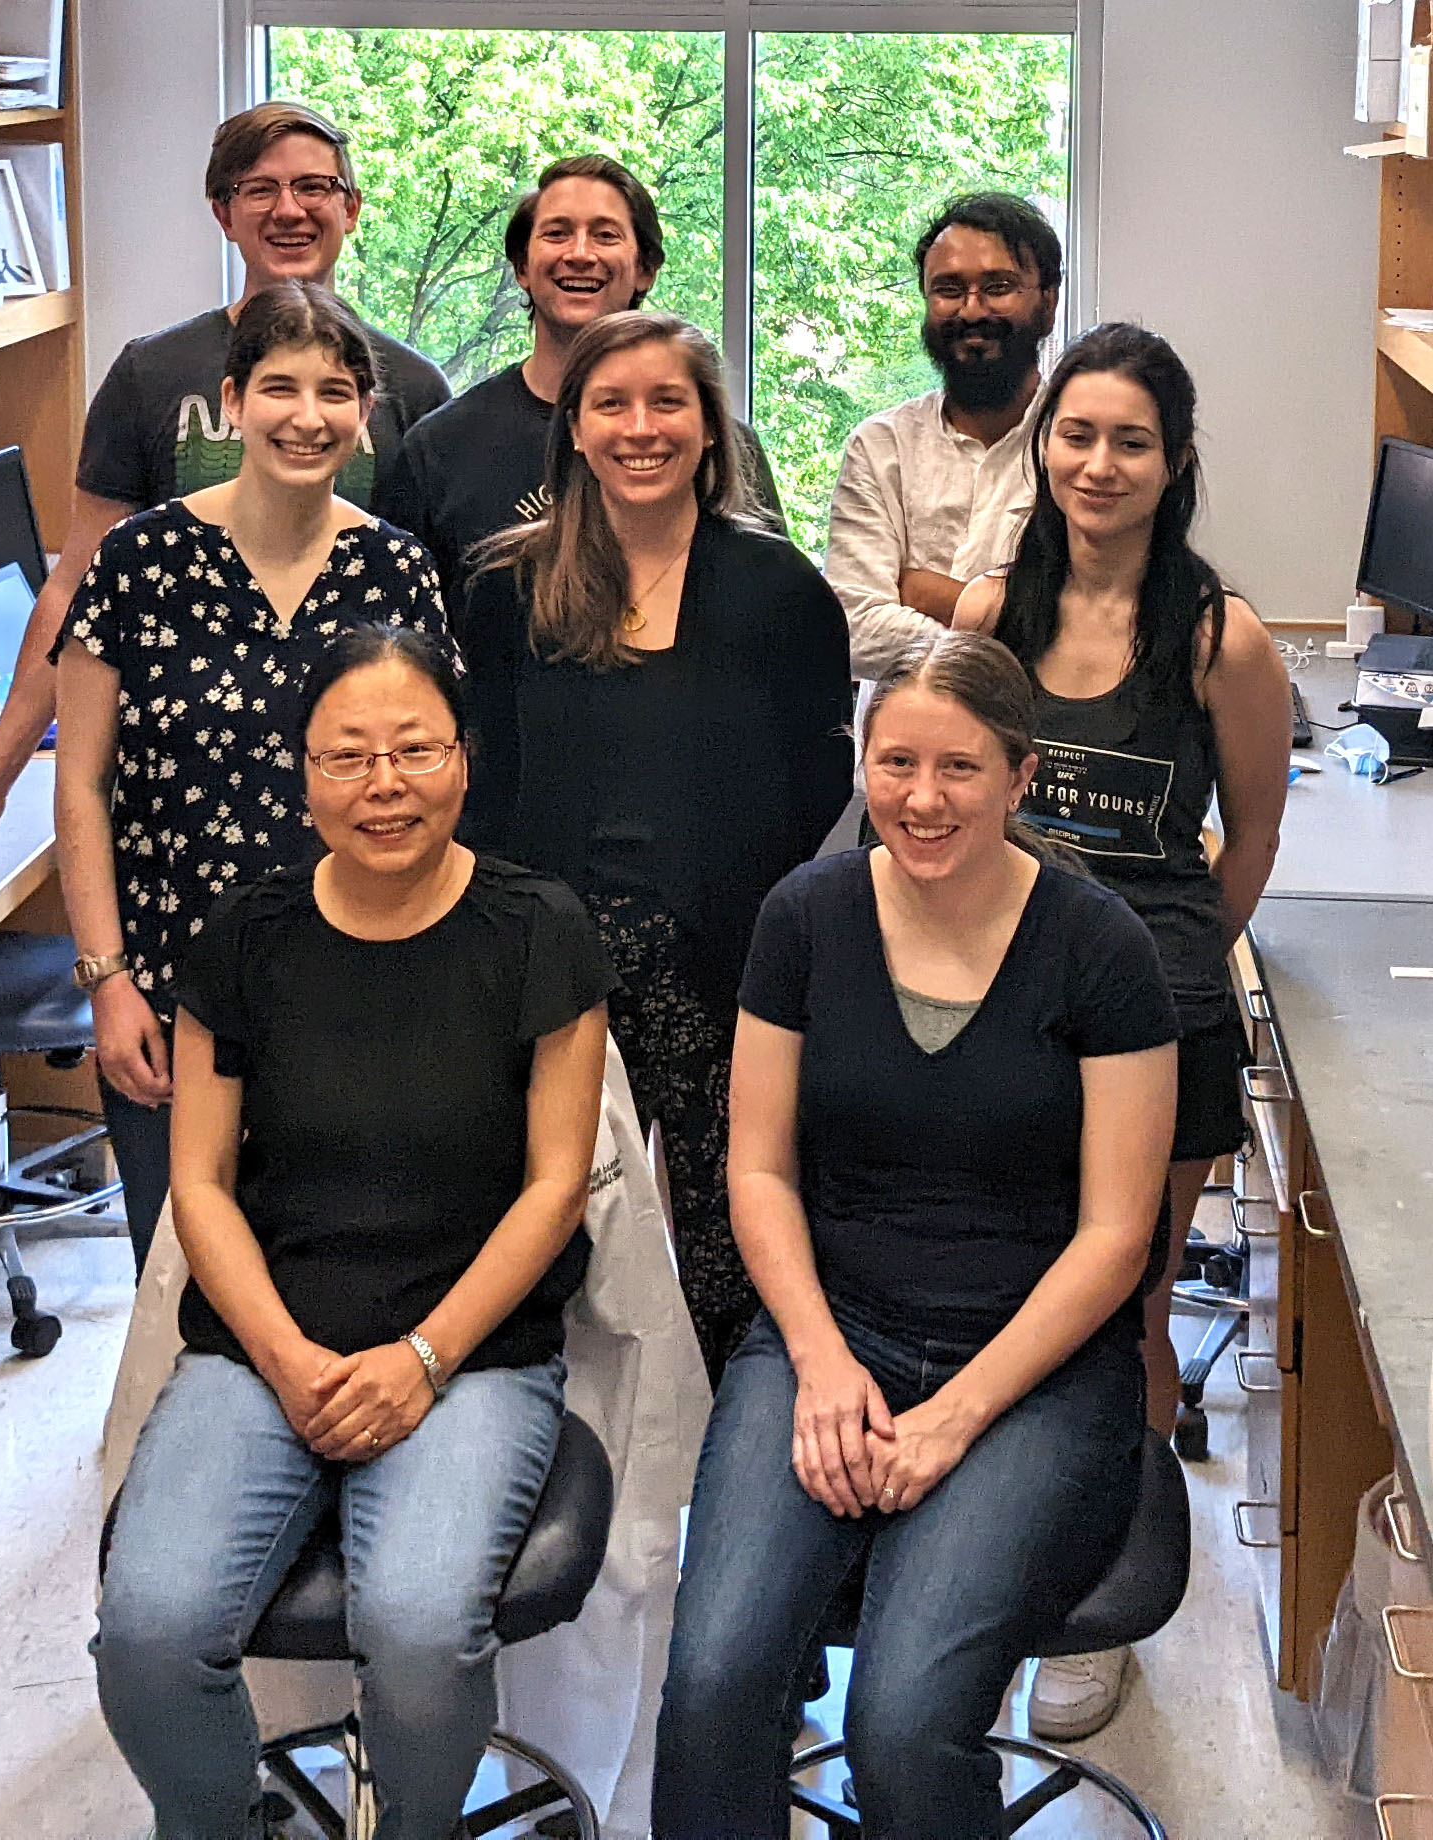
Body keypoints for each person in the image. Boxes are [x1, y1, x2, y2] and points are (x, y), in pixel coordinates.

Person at [652, 630, 1179, 1840]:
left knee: (901, 1720)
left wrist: (953, 1413)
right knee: (714, 1688)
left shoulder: (1102, 950)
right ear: (860, 760)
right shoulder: (805, 916)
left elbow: (1113, 1237)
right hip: (825, 1336)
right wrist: (821, 1358)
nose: (921, 799)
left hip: (1036, 1372)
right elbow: (759, 1169)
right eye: (894, 764)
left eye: (957, 769)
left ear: (1019, 775)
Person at [94, 624, 616, 1840]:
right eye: (348, 757)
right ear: (305, 773)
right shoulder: (244, 936)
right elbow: (204, 1185)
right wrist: (283, 1357)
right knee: (152, 1636)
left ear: (464, 760)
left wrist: (421, 1358)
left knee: (422, 1634)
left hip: (470, 1355)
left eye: (414, 749)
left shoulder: (539, 929)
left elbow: (554, 1190)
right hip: (263, 1348)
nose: (384, 785)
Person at [954, 320, 1290, 1738]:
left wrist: (1167, 973)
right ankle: (978, 1565)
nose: (1099, 464)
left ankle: (1094, 1598)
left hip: (1154, 1018)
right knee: (986, 1285)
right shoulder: (990, 624)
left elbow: (1252, 836)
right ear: (1047, 449)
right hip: (985, 998)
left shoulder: (1222, 639)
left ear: (1177, 463)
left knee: (1131, 1307)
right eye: (1078, 436)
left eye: (1131, 441)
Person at [464, 309, 851, 1386]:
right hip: (548, 968)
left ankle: (731, 1473)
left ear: (711, 427)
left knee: (732, 1246)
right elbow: (480, 786)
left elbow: (818, 777)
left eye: (667, 402)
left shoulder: (780, 591)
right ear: (574, 430)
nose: (642, 428)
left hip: (726, 968)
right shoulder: (505, 591)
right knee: (559, 1233)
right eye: (612, 404)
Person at [0, 100, 449, 846]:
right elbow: (76, 588)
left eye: (314, 188)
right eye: (261, 189)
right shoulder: (149, 374)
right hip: (180, 784)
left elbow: (429, 613)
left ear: (350, 209)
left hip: (357, 789)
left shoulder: (408, 387)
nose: (290, 209)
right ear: (224, 214)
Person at [53, 283, 448, 1279]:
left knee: (341, 1284)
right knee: (176, 1292)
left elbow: (427, 794)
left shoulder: (395, 572)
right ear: (231, 403)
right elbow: (82, 785)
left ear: (365, 415)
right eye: (279, 387)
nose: (306, 416)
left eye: (334, 391)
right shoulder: (139, 560)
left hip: (355, 994)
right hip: (168, 993)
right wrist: (107, 983)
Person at [378, 153, 782, 615]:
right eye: (557, 233)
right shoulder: (439, 448)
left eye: (605, 235)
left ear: (645, 268)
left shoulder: (713, 447)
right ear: (522, 268)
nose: (580, 254)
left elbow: (770, 609)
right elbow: (403, 639)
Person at [824, 191, 1059, 736]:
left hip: (1047, 759)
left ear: (1047, 302)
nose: (972, 310)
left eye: (998, 286)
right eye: (948, 290)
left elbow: (1096, 633)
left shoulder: (1077, 448)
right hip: (900, 770)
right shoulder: (881, 447)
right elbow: (853, 628)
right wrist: (1016, 635)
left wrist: (930, 594)